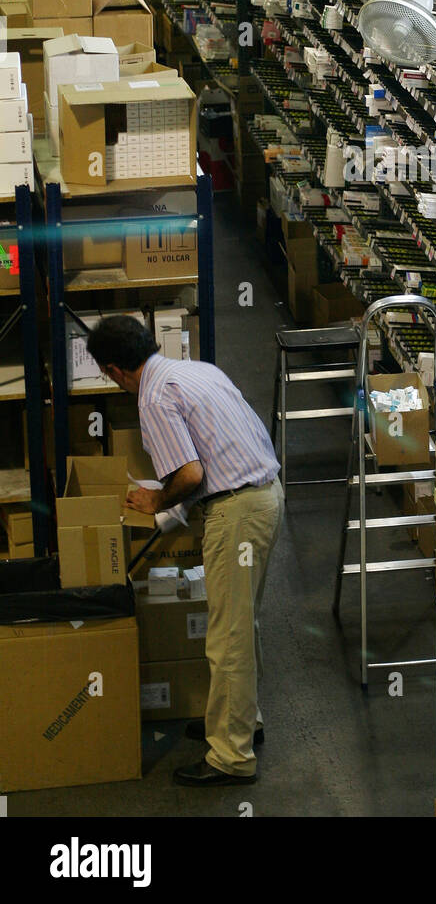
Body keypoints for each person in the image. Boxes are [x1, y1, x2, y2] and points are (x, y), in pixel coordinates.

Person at [86, 314, 283, 788]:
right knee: (240, 626)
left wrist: (157, 500)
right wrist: (165, 506)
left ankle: (231, 758)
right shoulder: (197, 370)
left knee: (227, 640)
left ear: (113, 370)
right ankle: (240, 722)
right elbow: (209, 459)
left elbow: (191, 475)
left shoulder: (153, 396)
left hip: (236, 514)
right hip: (265, 496)